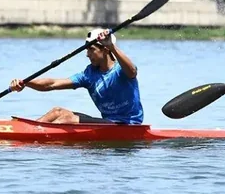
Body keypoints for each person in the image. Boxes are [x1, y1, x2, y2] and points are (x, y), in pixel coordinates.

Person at [9, 28, 144, 124]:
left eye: (91, 49)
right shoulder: (89, 74)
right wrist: (26, 83)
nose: (87, 54)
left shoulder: (121, 69)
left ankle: (39, 138)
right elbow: (52, 84)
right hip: (108, 123)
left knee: (68, 119)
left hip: (127, 124)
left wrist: (112, 46)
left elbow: (132, 72)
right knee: (57, 112)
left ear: (105, 50)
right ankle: (30, 132)